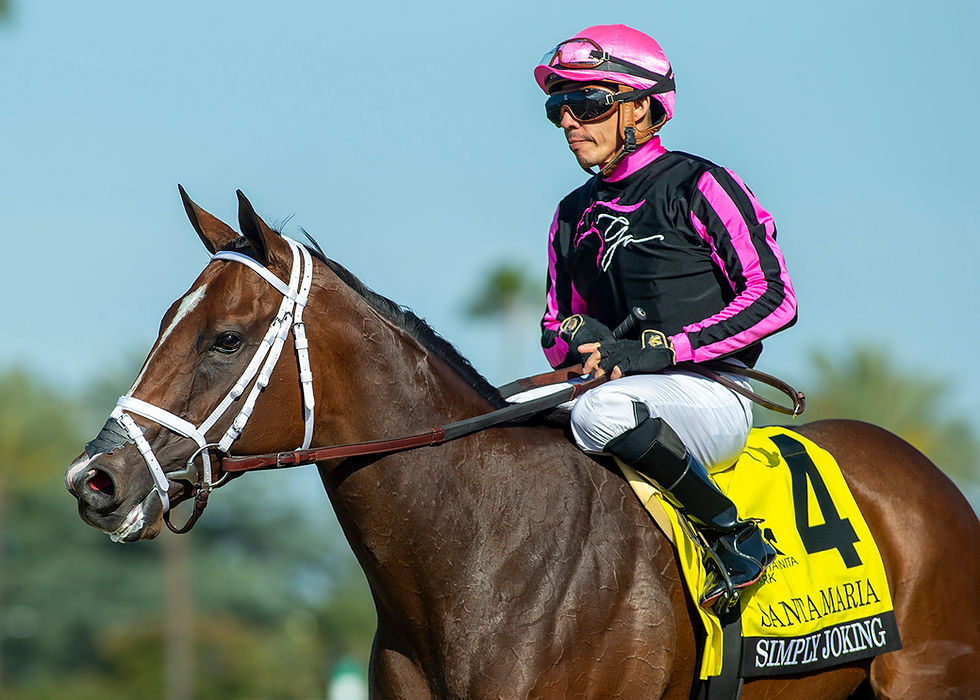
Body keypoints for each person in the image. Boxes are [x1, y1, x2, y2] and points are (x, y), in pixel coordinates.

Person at [534, 24, 798, 609]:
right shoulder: (569, 214)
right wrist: (581, 340)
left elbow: (775, 297)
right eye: (559, 107)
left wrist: (665, 350)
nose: (570, 123)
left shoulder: (701, 184)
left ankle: (734, 537)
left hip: (711, 392)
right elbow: (554, 326)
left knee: (600, 412)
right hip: (614, 391)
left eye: (588, 103)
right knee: (495, 417)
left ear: (643, 107)